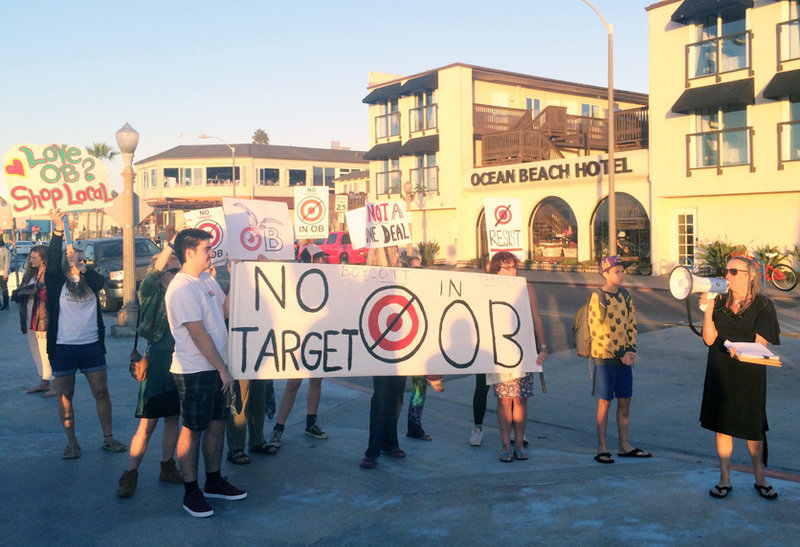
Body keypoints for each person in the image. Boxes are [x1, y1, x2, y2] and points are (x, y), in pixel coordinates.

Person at [166, 228, 246, 518]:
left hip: (215, 367)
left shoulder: (206, 278)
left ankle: (214, 481)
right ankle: (191, 491)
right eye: (206, 249)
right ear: (189, 253)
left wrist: (237, 278)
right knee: (193, 429)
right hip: (194, 370)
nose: (211, 253)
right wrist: (223, 368)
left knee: (217, 424)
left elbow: (225, 311)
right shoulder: (182, 287)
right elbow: (198, 334)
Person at [45, 210, 126, 459]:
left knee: (101, 392)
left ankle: (108, 438)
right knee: (65, 395)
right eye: (72, 257)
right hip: (64, 347)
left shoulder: (91, 281)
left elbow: (100, 283)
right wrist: (59, 230)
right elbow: (51, 259)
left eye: (80, 258)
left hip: (91, 346)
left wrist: (82, 268)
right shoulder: (56, 281)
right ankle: (72, 443)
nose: (76, 260)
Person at [699, 256, 780, 500]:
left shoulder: (762, 305)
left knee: (752, 428)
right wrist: (708, 308)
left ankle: (760, 478)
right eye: (726, 270)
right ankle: (725, 478)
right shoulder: (721, 302)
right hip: (720, 370)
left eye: (734, 271)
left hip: (749, 373)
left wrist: (742, 351)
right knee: (722, 426)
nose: (727, 276)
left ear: (749, 275)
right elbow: (709, 339)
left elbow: (761, 343)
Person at [117, 241, 184, 497]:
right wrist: (169, 247)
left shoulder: (182, 293)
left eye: (179, 271)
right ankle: (130, 474)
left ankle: (167, 466)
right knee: (148, 423)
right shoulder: (150, 291)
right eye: (173, 271)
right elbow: (153, 274)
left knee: (173, 418)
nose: (177, 275)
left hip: (180, 361)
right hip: (156, 361)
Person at [470, 253, 548, 447]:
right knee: (486, 389)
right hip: (490, 349)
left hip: (518, 350)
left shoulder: (526, 288)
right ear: (496, 270)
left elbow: (536, 318)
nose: (513, 271)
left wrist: (543, 346)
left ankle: (518, 433)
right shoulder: (486, 289)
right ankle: (478, 426)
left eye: (514, 267)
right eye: (507, 267)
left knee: (517, 394)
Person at [267, 248, 329, 450]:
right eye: (318, 257)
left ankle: (311, 422)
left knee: (316, 381)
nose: (321, 260)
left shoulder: (327, 278)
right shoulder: (297, 279)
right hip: (299, 337)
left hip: (318, 337)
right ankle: (279, 428)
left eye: (321, 257)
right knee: (293, 384)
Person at [590, 255, 650, 465]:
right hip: (606, 359)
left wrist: (630, 350)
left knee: (625, 401)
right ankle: (602, 447)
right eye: (617, 271)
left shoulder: (625, 295)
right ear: (605, 274)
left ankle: (624, 445)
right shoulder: (598, 297)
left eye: (623, 271)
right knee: (604, 402)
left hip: (625, 359)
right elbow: (597, 330)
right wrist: (619, 354)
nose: (621, 275)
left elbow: (631, 323)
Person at [360, 246, 407, 469]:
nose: (397, 252)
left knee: (397, 397)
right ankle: (373, 449)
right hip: (380, 345)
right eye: (393, 249)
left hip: (404, 344)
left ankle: (391, 441)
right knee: (381, 396)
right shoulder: (369, 277)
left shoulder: (406, 272)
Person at [403, 255, 444, 441]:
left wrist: (435, 375)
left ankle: (414, 425)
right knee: (400, 393)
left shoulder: (426, 296)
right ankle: (409, 427)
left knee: (419, 389)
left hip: (417, 350)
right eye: (415, 270)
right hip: (402, 349)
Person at [18, 245, 56, 396]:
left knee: (46, 350)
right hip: (30, 314)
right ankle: (44, 380)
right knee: (36, 349)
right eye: (31, 257)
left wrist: (36, 291)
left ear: (43, 259)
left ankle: (54, 382)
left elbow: (51, 294)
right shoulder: (31, 274)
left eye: (34, 258)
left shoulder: (49, 274)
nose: (31, 260)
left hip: (43, 316)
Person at [0, 236, 9, 310]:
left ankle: (6, 304)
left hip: (3, 273)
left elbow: (7, 263)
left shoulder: (5, 250)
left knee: (4, 289)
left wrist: (5, 274)